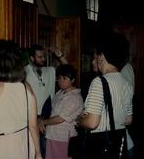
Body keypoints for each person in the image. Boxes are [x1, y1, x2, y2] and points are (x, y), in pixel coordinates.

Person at [0, 39, 42, 159]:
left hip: (2, 146)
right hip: (24, 143)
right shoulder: (26, 87)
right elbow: (33, 126)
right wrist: (38, 153)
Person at [76, 31, 134, 159]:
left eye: (95, 56)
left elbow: (92, 123)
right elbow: (128, 119)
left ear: (102, 56)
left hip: (100, 147)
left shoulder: (99, 82)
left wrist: (79, 119)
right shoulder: (126, 82)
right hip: (119, 144)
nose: (93, 61)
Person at [24, 44, 67, 157]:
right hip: (30, 118)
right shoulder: (24, 72)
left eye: (44, 56)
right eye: (39, 57)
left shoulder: (51, 70)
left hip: (47, 118)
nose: (43, 59)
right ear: (32, 58)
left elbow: (68, 70)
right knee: (31, 151)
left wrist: (60, 55)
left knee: (45, 152)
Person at [38, 64, 84, 159]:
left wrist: (43, 122)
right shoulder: (60, 93)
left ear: (72, 80)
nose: (60, 81)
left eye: (64, 78)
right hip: (53, 135)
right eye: (59, 78)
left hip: (63, 138)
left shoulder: (75, 97)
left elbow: (60, 118)